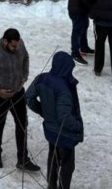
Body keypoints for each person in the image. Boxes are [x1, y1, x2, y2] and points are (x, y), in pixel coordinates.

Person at [0, 28, 40, 172]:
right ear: (5, 41)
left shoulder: (19, 44)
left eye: (18, 45)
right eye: (13, 46)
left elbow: (26, 58)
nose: (16, 48)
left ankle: (23, 159)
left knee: (22, 124)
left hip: (17, 93)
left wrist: (24, 75)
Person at [26, 51, 84, 189]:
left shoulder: (42, 78)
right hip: (65, 134)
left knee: (53, 160)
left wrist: (44, 112)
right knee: (67, 167)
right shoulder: (64, 89)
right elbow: (64, 117)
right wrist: (78, 126)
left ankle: (51, 186)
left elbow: (29, 98)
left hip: (51, 130)